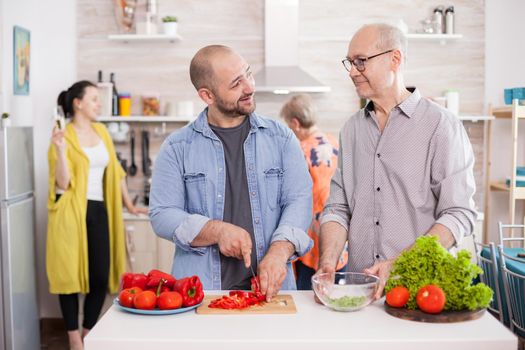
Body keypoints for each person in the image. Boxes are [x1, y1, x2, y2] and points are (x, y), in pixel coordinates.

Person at [316, 23, 477, 298]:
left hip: (421, 295)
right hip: (360, 294)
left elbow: (458, 212)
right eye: (350, 63)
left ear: (395, 59)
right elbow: (338, 208)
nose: (353, 72)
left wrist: (400, 265)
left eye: (361, 62)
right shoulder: (351, 129)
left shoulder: (441, 125)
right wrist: (328, 261)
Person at [149, 45, 313, 300]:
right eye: (236, 83)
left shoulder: (281, 138)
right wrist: (216, 231)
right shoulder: (177, 147)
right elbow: (162, 214)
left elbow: (299, 200)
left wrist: (279, 253)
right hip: (203, 295)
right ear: (208, 95)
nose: (249, 87)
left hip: (272, 293)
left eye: (248, 74)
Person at [46, 80, 147, 350]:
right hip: (71, 213)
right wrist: (60, 150)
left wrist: (130, 205)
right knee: (69, 277)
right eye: (94, 99)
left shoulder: (101, 131)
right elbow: (62, 184)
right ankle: (73, 337)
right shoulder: (63, 136)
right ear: (77, 103)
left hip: (100, 210)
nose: (99, 103)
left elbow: (116, 172)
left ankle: (89, 331)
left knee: (100, 278)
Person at [279, 94, 347, 290]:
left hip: (311, 234)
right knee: (337, 293)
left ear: (295, 123)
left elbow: (289, 194)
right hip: (338, 232)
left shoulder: (300, 150)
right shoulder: (335, 143)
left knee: (308, 296)